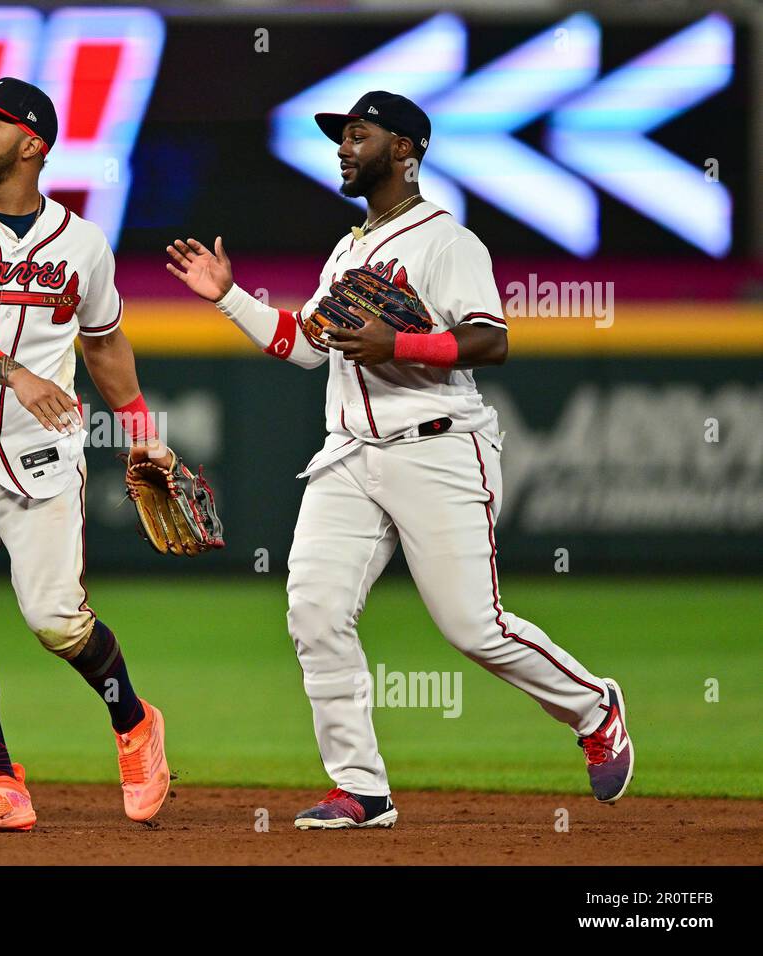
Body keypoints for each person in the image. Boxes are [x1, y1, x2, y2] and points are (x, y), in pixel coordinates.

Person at [166, 91, 633, 830]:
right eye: (340, 137)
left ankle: (594, 706)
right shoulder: (349, 249)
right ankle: (362, 788)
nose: (344, 147)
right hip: (350, 454)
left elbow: (492, 340)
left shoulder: (448, 241)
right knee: (314, 611)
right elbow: (304, 347)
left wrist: (400, 344)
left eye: (359, 134)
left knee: (472, 626)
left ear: (406, 149)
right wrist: (228, 298)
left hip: (440, 446)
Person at [0, 77, 171, 831]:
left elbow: (106, 342)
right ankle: (2, 785)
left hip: (42, 456)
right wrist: (14, 372)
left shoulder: (82, 242)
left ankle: (134, 724)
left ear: (33, 143)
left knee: (56, 621)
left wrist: (143, 429)